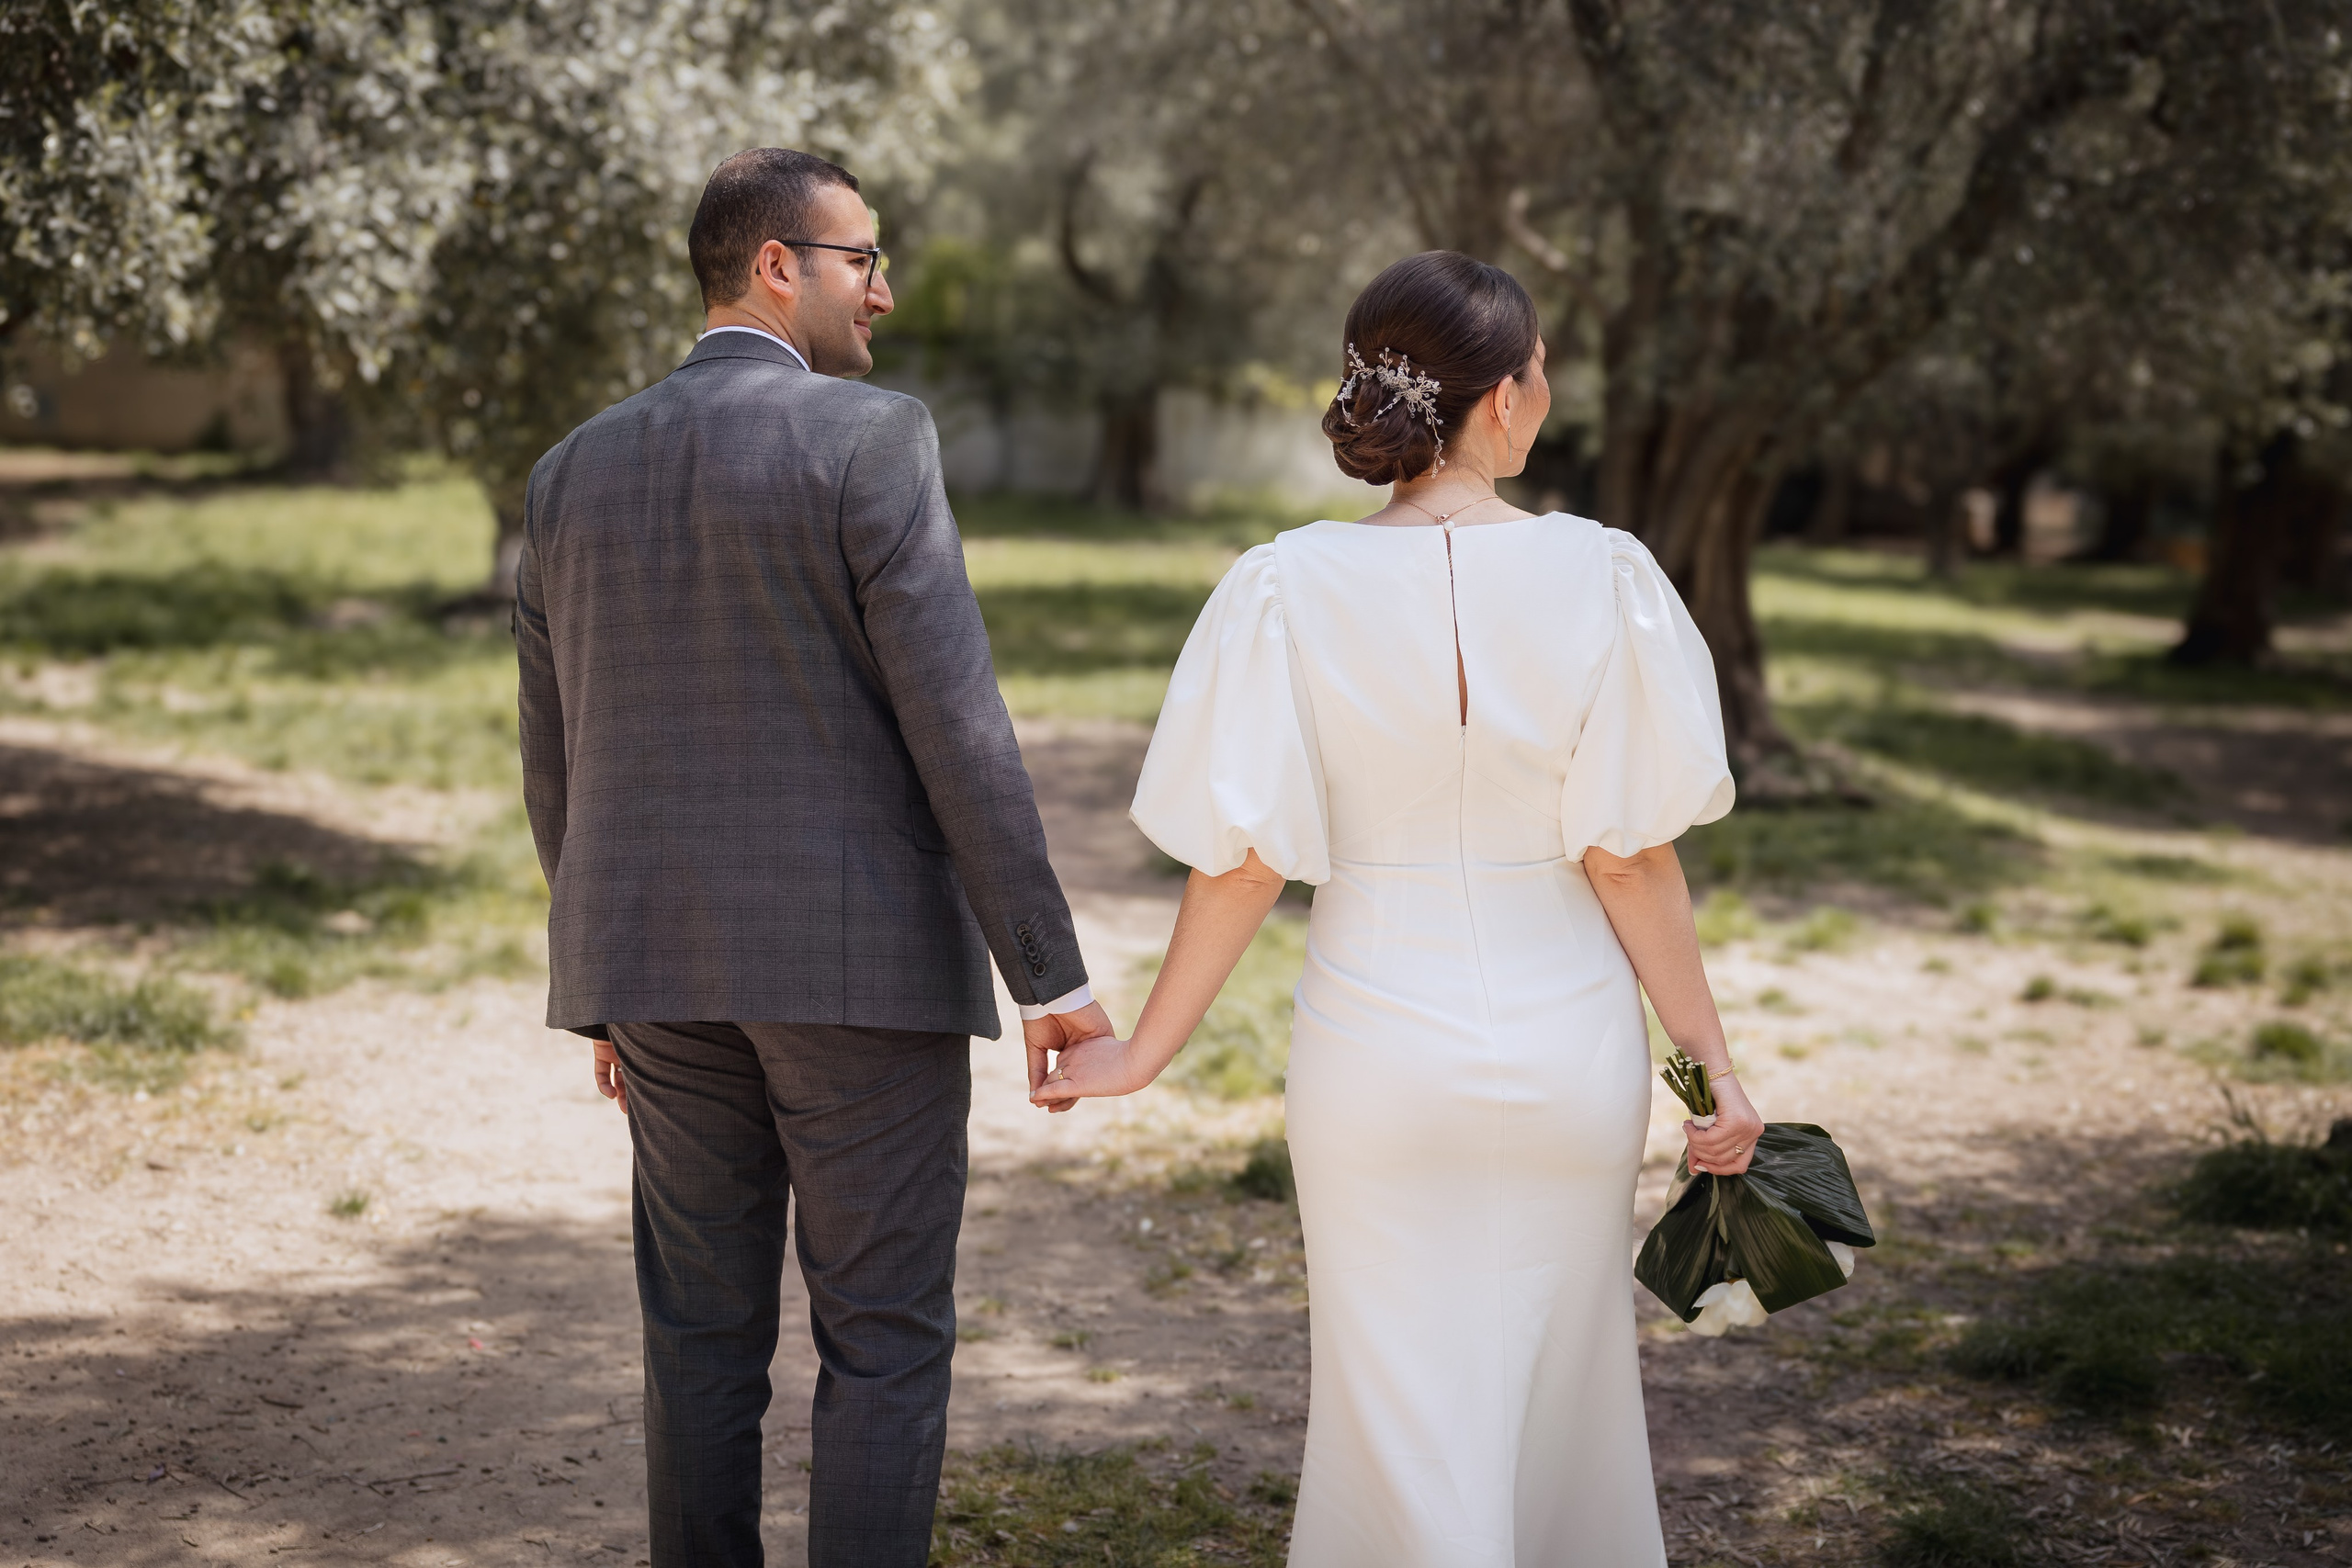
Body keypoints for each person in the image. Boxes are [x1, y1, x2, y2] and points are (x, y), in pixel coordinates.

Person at [1030, 251, 1762, 1565]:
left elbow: (1245, 863)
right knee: (1566, 1407)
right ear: (1503, 398)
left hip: (1374, 1051)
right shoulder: (1606, 575)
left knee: (1396, 1412)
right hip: (1569, 1053)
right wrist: (1713, 1073)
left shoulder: (1283, 585)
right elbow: (1628, 860)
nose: (1548, 396)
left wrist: (1140, 1054)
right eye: (1541, 372)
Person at [514, 147, 1113, 1568]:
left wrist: (606, 990)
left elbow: (555, 752)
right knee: (885, 1336)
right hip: (864, 981)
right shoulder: (872, 441)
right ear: (776, 266)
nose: (882, 291)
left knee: (695, 1338)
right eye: (864, 260)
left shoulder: (568, 472)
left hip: (653, 970)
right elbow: (960, 726)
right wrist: (1051, 977)